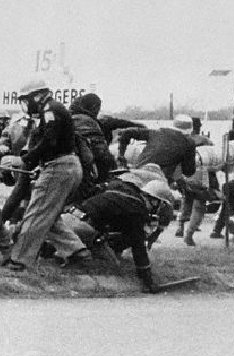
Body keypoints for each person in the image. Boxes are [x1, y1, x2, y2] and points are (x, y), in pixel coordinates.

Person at [3, 79, 90, 271]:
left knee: (36, 214)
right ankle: (76, 251)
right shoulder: (52, 109)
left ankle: (19, 260)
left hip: (58, 167)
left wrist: (25, 160)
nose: (25, 105)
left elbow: (49, 141)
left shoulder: (50, 110)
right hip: (67, 166)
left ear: (36, 96)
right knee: (48, 215)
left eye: (26, 100)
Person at [67, 177, 175, 293]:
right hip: (82, 227)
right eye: (161, 205)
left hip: (68, 219)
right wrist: (148, 280)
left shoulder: (120, 189)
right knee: (112, 265)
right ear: (154, 201)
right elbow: (138, 247)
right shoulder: (137, 210)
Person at [118, 114, 198, 244]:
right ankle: (153, 235)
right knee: (166, 208)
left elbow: (127, 133)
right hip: (158, 179)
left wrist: (121, 154)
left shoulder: (156, 132)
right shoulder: (188, 142)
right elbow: (189, 171)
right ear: (190, 130)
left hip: (136, 172)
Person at [68, 93, 113, 202]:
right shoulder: (88, 122)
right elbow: (101, 154)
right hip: (81, 176)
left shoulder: (66, 118)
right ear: (94, 108)